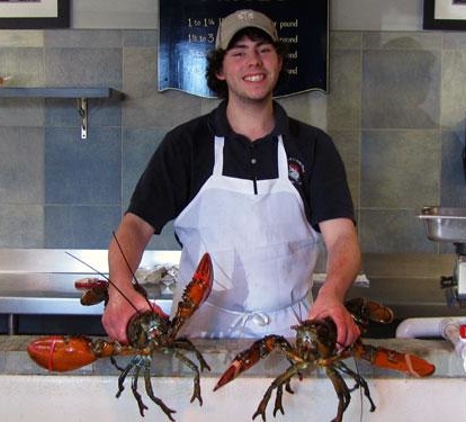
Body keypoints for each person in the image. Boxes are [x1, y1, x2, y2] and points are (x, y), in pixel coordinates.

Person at [102, 9, 361, 346]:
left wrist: (333, 293)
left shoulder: (313, 146)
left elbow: (343, 237)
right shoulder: (185, 145)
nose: (253, 61)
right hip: (198, 336)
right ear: (220, 69)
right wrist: (119, 287)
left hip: (295, 337)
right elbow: (135, 225)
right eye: (239, 53)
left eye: (264, 50)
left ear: (279, 63)